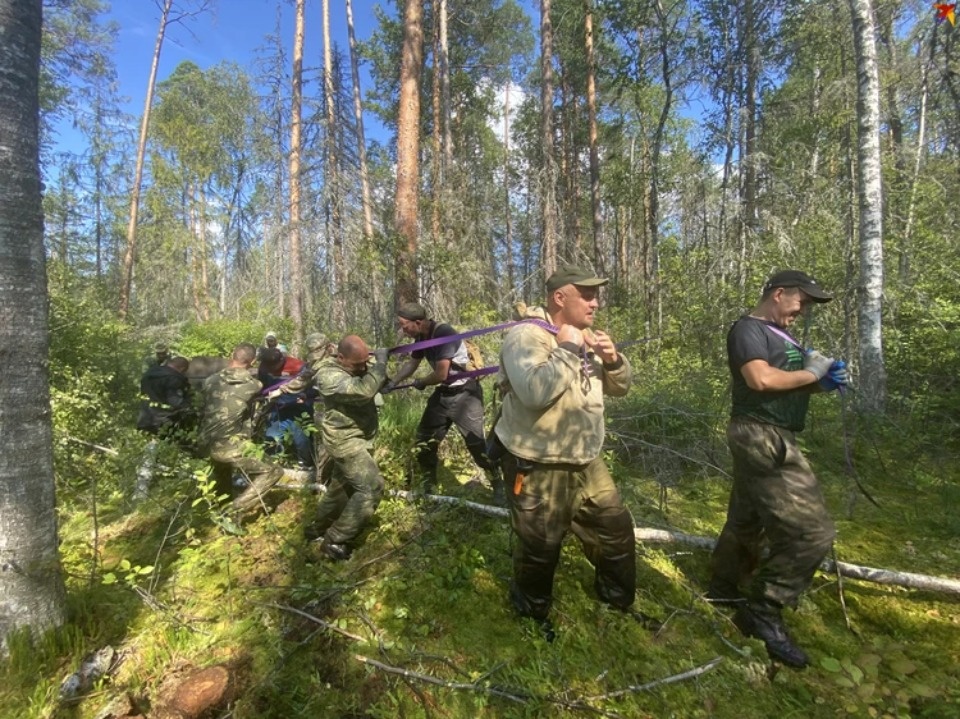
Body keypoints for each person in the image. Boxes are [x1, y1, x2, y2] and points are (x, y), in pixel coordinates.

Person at [708, 269, 848, 669]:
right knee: (812, 532)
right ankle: (764, 609)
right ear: (779, 293)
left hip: (772, 431)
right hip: (761, 435)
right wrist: (813, 372)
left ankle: (724, 587)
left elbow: (788, 381)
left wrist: (821, 383)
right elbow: (760, 379)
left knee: (747, 518)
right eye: (801, 302)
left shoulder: (782, 335)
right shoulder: (748, 330)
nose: (802, 310)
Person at [492, 265, 635, 636]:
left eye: (596, 295)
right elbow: (535, 391)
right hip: (538, 462)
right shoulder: (526, 336)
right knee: (540, 548)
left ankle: (617, 604)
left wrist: (613, 359)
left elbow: (620, 387)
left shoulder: (585, 335)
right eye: (586, 295)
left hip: (586, 458)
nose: (595, 302)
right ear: (560, 298)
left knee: (615, 531)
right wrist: (570, 348)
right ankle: (532, 616)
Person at [387, 302, 505, 504]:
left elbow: (441, 373)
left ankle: (499, 487)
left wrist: (422, 382)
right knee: (424, 440)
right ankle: (429, 486)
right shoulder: (421, 336)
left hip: (465, 393)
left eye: (405, 325)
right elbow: (413, 363)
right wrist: (394, 381)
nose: (403, 330)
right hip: (444, 393)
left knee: (476, 445)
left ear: (418, 322)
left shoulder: (443, 333)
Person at [306, 335, 389, 561]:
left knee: (340, 488)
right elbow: (363, 390)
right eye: (357, 364)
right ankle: (335, 540)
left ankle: (318, 528)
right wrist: (380, 365)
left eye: (365, 361)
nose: (363, 367)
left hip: (358, 435)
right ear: (341, 357)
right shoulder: (327, 375)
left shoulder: (353, 364)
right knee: (371, 487)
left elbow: (376, 379)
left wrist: (376, 369)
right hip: (345, 441)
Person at [196, 342, 284, 513]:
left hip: (206, 442)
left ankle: (219, 509)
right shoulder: (253, 385)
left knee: (222, 472)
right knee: (273, 471)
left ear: (232, 356)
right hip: (230, 446)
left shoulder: (209, 381)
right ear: (251, 362)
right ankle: (234, 510)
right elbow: (260, 389)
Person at [136, 356, 193, 437]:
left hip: (144, 420)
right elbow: (175, 401)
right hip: (164, 422)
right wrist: (189, 406)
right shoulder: (174, 379)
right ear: (182, 369)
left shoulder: (149, 374)